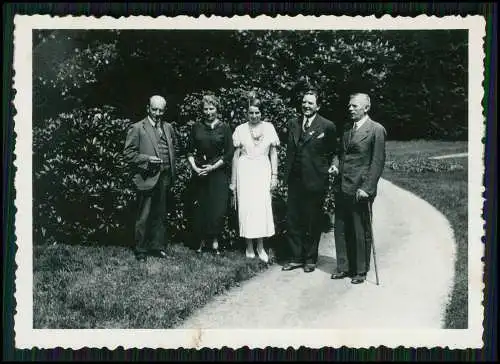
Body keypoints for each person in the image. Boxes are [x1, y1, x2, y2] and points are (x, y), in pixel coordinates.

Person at [331, 93, 386, 284]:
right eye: (349, 106)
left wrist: (367, 188)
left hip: (360, 188)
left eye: (354, 106)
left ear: (366, 108)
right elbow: (340, 153)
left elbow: (377, 162)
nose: (350, 109)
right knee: (341, 227)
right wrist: (336, 165)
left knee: (360, 229)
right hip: (341, 187)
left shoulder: (376, 130)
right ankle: (343, 266)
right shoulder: (347, 129)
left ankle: (360, 270)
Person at [282, 89, 338, 273]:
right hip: (294, 180)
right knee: (293, 219)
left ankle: (310, 259)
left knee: (312, 221)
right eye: (304, 102)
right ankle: (296, 257)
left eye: (310, 103)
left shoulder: (327, 126)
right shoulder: (293, 123)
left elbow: (334, 151)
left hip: (315, 180)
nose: (306, 105)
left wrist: (330, 167)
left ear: (318, 106)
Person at [123, 95, 177, 262]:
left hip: (165, 176)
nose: (157, 113)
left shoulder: (168, 127)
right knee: (144, 215)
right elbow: (128, 154)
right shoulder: (138, 127)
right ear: (148, 108)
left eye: (161, 110)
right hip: (146, 177)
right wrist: (147, 159)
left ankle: (157, 247)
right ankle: (141, 249)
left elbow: (173, 147)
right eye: (154, 109)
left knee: (160, 214)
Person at [230, 98, 280, 263]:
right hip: (245, 171)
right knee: (246, 207)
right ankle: (249, 245)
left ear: (262, 113)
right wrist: (234, 181)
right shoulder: (240, 129)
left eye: (257, 112)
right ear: (247, 113)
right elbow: (235, 157)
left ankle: (261, 246)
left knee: (261, 207)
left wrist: (274, 176)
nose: (254, 115)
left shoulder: (269, 128)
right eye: (250, 112)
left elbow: (273, 153)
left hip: (263, 170)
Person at [187, 94, 234, 254]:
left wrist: (212, 167)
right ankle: (200, 241)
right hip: (200, 172)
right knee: (201, 208)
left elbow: (229, 154)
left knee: (217, 208)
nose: (208, 112)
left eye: (211, 108)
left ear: (217, 109)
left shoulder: (225, 128)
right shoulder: (196, 127)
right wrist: (195, 168)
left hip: (218, 172)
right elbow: (189, 151)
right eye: (205, 109)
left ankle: (215, 241)